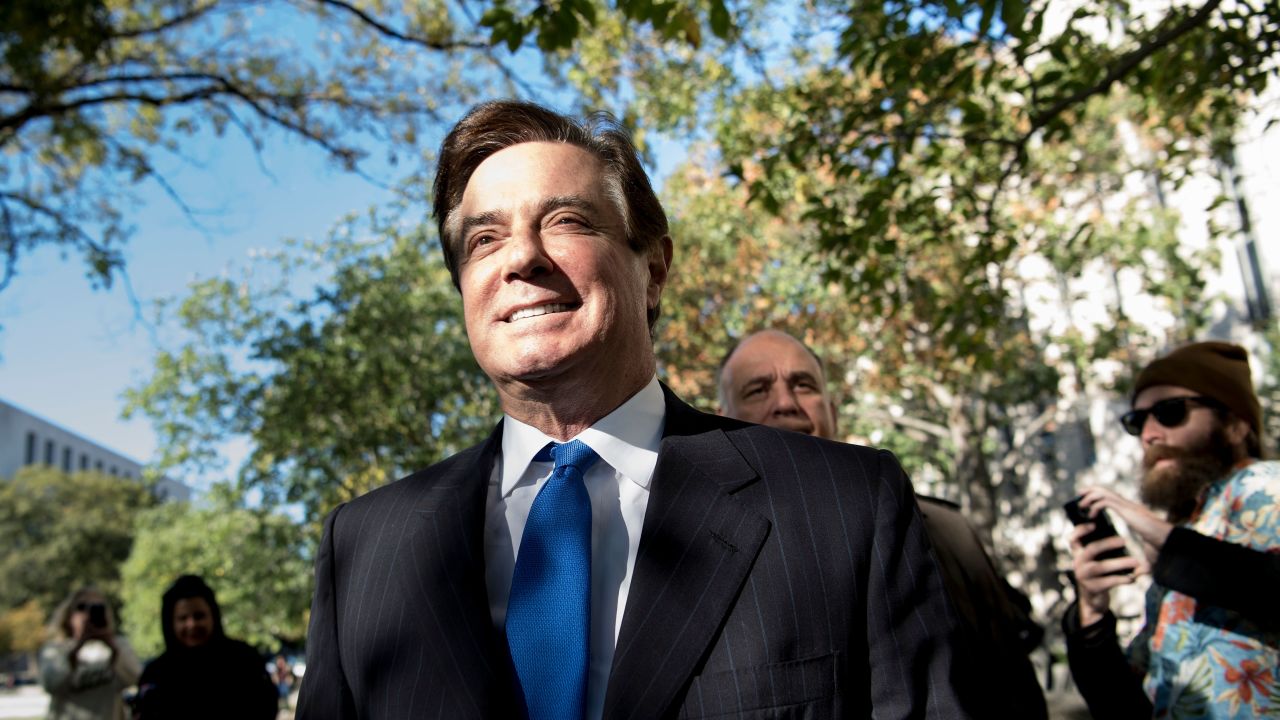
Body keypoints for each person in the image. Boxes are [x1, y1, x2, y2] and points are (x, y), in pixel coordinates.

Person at [297, 100, 969, 719]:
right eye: (485, 240)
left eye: (565, 221)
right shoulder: (364, 551)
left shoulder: (844, 507)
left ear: (653, 269)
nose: (522, 257)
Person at [717, 328, 1049, 719]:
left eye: (804, 385)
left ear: (833, 410)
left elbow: (1013, 684)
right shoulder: (702, 554)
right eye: (758, 390)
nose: (786, 403)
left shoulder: (948, 529)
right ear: (723, 421)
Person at [1063, 341, 1280, 718]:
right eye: (1137, 420)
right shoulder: (1189, 528)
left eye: (1169, 412)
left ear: (1235, 425)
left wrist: (1163, 538)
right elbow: (1122, 706)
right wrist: (1091, 614)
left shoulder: (1265, 484)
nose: (1149, 434)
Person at [133, 575, 276, 720]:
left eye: (199, 616)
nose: (192, 624)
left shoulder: (244, 659)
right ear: (171, 623)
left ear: (213, 616)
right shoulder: (156, 674)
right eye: (183, 618)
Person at [38, 587, 141, 720]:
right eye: (81, 607)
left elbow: (135, 678)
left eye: (97, 608)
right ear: (69, 615)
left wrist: (112, 648)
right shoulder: (55, 650)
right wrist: (76, 649)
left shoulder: (119, 646)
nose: (88, 614)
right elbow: (51, 685)